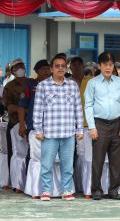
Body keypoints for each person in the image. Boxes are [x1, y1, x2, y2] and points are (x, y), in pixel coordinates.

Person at [33, 54, 84, 201]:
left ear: (66, 67)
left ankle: (66, 190)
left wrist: (79, 130)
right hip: (49, 133)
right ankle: (46, 191)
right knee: (46, 164)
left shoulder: (73, 85)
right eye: (57, 66)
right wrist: (38, 130)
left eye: (63, 66)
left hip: (68, 133)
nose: (60, 68)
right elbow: (38, 109)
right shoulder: (43, 86)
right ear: (51, 69)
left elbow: (78, 109)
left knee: (67, 165)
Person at [85, 52, 120, 200]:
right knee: (98, 159)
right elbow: (88, 106)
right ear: (99, 66)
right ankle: (96, 190)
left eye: (110, 64)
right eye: (105, 64)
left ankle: (114, 190)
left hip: (117, 124)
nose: (108, 67)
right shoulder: (92, 83)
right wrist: (91, 127)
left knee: (116, 160)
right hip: (99, 124)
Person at [3, 58, 28, 177]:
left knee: (30, 153)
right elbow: (9, 107)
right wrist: (24, 110)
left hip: (32, 123)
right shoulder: (9, 86)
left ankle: (28, 179)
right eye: (17, 67)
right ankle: (15, 181)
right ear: (12, 71)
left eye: (22, 66)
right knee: (14, 153)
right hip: (15, 123)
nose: (20, 69)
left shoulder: (31, 82)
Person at [18, 59, 51, 139]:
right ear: (37, 71)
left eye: (48, 69)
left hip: (52, 128)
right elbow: (22, 106)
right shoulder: (30, 85)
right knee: (34, 151)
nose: (46, 71)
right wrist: (22, 125)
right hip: (34, 127)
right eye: (43, 69)